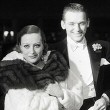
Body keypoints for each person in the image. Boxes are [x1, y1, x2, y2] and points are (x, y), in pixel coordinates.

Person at [0, 25, 83, 110]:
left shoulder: (57, 65)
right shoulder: (12, 70)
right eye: (26, 46)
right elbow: (24, 107)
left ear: (43, 45)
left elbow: (78, 100)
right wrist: (57, 103)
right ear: (19, 47)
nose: (32, 51)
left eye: (37, 45)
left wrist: (61, 93)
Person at [49, 3, 110, 110]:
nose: (77, 29)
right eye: (71, 23)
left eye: (81, 23)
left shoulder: (105, 47)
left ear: (88, 23)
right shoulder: (52, 52)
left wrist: (106, 99)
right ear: (63, 24)